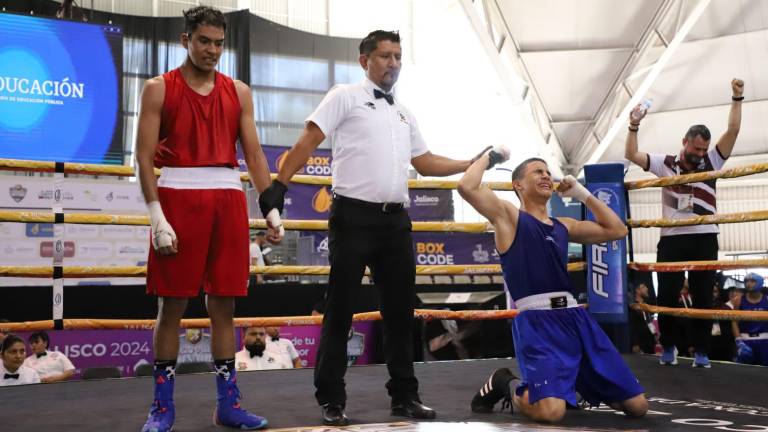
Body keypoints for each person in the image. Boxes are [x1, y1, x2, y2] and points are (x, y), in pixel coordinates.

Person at [258, 30, 485, 426]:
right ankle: (331, 398)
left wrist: (471, 161)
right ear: (365, 60)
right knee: (340, 310)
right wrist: (279, 187)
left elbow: (426, 162)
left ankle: (405, 397)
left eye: (398, 56)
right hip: (352, 218)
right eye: (384, 56)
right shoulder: (344, 95)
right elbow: (308, 140)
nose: (393, 63)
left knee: (400, 313)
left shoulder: (403, 111)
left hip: (395, 221)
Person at [134, 6, 281, 431]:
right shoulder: (158, 89)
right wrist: (155, 216)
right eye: (204, 41)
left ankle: (228, 405)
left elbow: (253, 154)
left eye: (219, 43)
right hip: (177, 198)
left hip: (228, 198)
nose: (212, 50)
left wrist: (269, 206)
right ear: (186, 40)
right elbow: (143, 157)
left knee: (224, 307)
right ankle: (162, 408)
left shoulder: (239, 91)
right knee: (172, 306)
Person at [459, 155, 647, 423]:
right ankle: (507, 384)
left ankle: (570, 385)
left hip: (576, 320)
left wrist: (582, 194)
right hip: (538, 324)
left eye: (548, 172)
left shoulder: (563, 226)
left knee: (638, 407)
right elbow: (467, 187)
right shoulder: (509, 217)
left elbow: (617, 230)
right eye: (537, 172)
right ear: (518, 185)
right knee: (551, 413)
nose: (546, 175)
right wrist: (490, 157)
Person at [624, 79, 744, 368]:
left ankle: (701, 351)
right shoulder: (664, 162)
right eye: (697, 149)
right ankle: (668, 347)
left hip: (705, 236)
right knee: (666, 296)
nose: (701, 154)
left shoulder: (713, 160)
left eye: (704, 150)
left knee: (703, 295)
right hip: (672, 238)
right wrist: (634, 126)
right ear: (685, 142)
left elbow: (733, 130)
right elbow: (631, 154)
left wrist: (737, 97)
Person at [732, 273, 768, 366]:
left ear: (760, 282)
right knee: (745, 373)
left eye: (752, 281)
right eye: (746, 281)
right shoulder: (739, 300)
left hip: (765, 340)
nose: (748, 283)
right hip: (745, 340)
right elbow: (734, 321)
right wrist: (738, 341)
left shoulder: (767, 299)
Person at [629, 283, 656, 354]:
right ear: (637, 290)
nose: (646, 289)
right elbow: (632, 325)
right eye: (643, 287)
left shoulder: (646, 305)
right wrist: (635, 343)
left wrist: (654, 333)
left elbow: (649, 321)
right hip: (639, 343)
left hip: (650, 341)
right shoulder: (633, 306)